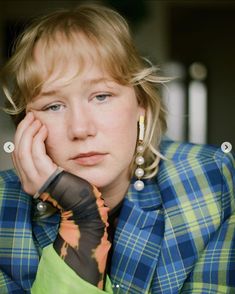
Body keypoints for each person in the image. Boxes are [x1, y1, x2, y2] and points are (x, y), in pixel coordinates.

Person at [0, 3, 234, 294]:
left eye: (101, 96)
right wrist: (82, 219)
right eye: (54, 106)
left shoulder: (209, 178)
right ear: (26, 125)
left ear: (142, 106)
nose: (80, 129)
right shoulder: (2, 208)